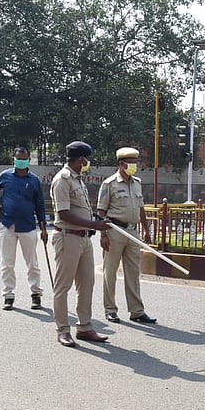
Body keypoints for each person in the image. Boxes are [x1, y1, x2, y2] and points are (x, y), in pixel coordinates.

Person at [49, 141, 111, 347]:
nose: (88, 163)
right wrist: (93, 224)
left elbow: (81, 209)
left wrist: (96, 222)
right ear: (81, 159)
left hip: (84, 238)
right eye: (87, 159)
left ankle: (84, 327)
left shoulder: (79, 180)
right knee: (63, 286)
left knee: (86, 283)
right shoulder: (62, 180)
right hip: (67, 237)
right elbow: (64, 213)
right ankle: (63, 330)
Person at [97, 147, 156, 325]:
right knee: (110, 272)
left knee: (133, 272)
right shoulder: (109, 184)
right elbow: (101, 211)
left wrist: (146, 229)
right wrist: (103, 235)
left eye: (135, 163)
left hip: (133, 232)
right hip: (115, 230)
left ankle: (136, 311)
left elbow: (141, 208)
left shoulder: (137, 182)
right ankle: (110, 309)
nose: (134, 166)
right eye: (131, 163)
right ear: (121, 164)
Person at [0, 146, 48, 311]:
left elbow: (40, 205)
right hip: (7, 224)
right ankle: (8, 295)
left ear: (29, 160)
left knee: (33, 263)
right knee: (7, 263)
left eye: (23, 159)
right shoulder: (5, 176)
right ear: (13, 159)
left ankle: (36, 294)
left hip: (28, 226)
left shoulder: (34, 180)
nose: (20, 161)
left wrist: (43, 227)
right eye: (18, 158)